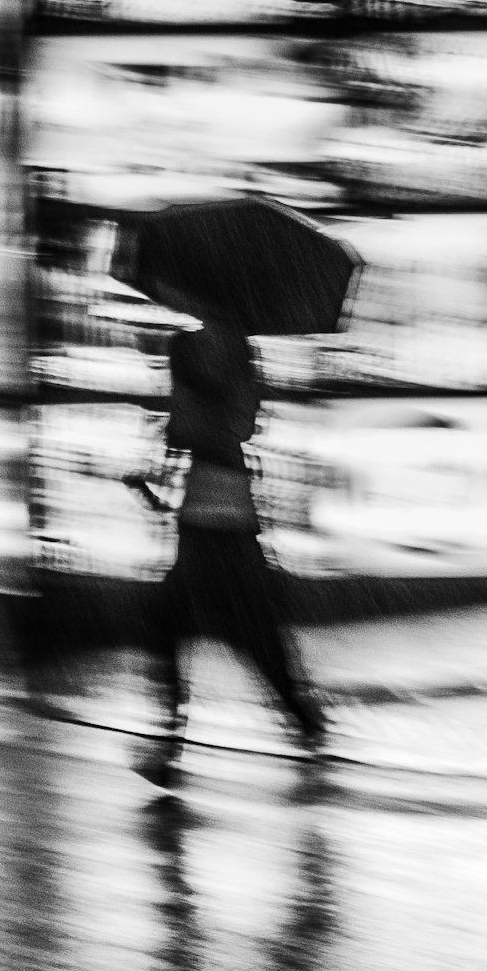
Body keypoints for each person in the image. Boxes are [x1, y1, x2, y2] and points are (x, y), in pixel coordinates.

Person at [134, 279, 326, 785]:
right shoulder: (204, 352)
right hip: (207, 515)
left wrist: (188, 387)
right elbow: (184, 433)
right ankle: (177, 742)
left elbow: (226, 428)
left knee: (234, 630)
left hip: (225, 516)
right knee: (189, 625)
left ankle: (179, 743)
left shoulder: (233, 363)